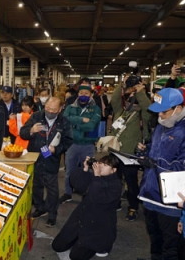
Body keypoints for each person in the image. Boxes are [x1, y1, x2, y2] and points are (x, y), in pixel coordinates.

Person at [136, 88, 185, 260]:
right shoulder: (161, 126)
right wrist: (144, 152)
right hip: (150, 194)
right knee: (155, 240)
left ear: (178, 109)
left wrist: (156, 164)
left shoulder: (182, 131)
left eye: (164, 112)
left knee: (170, 246)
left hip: (170, 201)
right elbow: (156, 150)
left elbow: (182, 164)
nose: (160, 116)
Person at [51, 155, 121, 260]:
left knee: (75, 257)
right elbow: (78, 185)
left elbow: (97, 197)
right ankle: (78, 239)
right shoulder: (96, 176)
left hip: (98, 226)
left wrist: (97, 177)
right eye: (101, 163)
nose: (101, 166)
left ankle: (103, 245)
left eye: (106, 165)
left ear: (113, 170)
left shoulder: (115, 185)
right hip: (82, 217)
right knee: (57, 246)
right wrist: (85, 169)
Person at [20, 97, 73, 227]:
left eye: (53, 110)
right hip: (35, 157)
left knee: (52, 189)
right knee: (36, 186)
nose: (49, 111)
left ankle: (52, 213)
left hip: (51, 159)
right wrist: (31, 130)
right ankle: (39, 207)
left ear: (60, 109)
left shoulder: (64, 122)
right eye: (47, 108)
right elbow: (23, 133)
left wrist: (56, 149)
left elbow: (68, 141)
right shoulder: (36, 116)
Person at [109, 74, 151, 221]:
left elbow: (148, 109)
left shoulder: (143, 115)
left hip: (130, 156)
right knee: (114, 181)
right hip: (115, 152)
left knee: (132, 183)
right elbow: (114, 99)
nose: (131, 96)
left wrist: (141, 92)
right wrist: (123, 84)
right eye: (130, 93)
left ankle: (133, 207)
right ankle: (116, 202)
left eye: (134, 95)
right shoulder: (120, 111)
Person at [59, 84, 101, 204]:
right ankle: (67, 193)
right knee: (69, 171)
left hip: (88, 146)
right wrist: (81, 120)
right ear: (78, 94)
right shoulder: (70, 107)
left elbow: (92, 125)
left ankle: (87, 193)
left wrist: (74, 124)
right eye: (81, 93)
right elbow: (65, 119)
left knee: (88, 171)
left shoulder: (95, 109)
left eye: (86, 94)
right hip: (72, 144)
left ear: (91, 95)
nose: (83, 95)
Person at [0, 86, 20, 150]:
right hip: (2, 134)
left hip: (14, 135)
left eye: (7, 93)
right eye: (3, 93)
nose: (5, 95)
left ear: (12, 95)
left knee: (14, 152)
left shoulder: (18, 105)